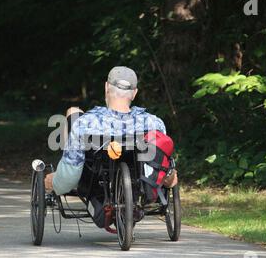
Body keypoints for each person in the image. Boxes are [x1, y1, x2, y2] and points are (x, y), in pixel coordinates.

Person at [45, 66, 178, 194]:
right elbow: (164, 172)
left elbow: (69, 179)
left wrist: (55, 182)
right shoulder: (154, 123)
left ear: (107, 87)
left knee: (73, 112)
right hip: (139, 180)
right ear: (134, 93)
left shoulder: (86, 122)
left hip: (92, 182)